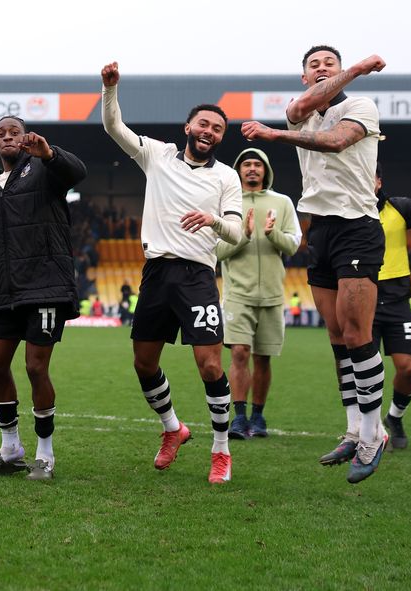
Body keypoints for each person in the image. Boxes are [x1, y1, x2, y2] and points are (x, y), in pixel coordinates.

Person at [241, 46, 387, 483]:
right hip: (319, 229)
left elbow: (338, 140)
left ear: (342, 73)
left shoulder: (360, 104)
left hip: (357, 224)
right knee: (338, 336)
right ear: (305, 77)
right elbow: (302, 108)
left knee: (359, 334)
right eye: (313, 66)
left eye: (330, 64)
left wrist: (358, 71)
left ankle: (373, 433)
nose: (321, 68)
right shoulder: (299, 110)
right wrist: (282, 127)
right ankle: (351, 429)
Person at [102, 62, 243, 485]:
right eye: (204, 123)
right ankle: (173, 429)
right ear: (188, 127)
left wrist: (213, 220)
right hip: (157, 274)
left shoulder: (227, 177)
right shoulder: (157, 154)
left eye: (217, 129)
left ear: (220, 137)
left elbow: (236, 233)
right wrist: (110, 89)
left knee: (210, 366)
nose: (210, 132)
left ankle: (221, 451)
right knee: (143, 363)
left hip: (198, 276)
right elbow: (113, 126)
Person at [0, 117, 87, 480]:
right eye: (1, 134)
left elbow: (78, 172)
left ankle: (45, 454)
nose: (8, 137)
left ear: (25, 139)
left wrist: (51, 154)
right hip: (4, 291)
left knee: (35, 367)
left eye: (15, 132)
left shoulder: (45, 170)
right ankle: (10, 449)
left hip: (46, 287)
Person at [214, 149, 301, 440]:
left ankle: (258, 417)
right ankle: (239, 419)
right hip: (238, 293)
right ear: (239, 170)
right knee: (239, 353)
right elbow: (218, 251)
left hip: (273, 295)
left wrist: (272, 233)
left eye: (257, 164)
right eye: (247, 164)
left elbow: (293, 245)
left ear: (266, 170)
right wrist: (246, 235)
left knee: (264, 359)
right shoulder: (228, 203)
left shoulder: (282, 202)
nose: (252, 169)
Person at [373, 165, 411, 450]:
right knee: (365, 371)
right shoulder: (346, 213)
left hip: (397, 302)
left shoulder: (399, 208)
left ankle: (395, 417)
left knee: (407, 369)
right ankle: (362, 428)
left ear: (379, 182)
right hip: (362, 300)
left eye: (370, 176)